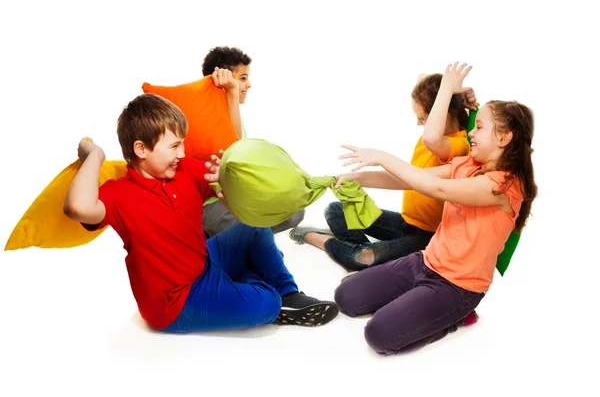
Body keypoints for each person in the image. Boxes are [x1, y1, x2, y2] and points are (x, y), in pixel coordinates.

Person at [63, 93, 339, 333]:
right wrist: (95, 155)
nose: (182, 152)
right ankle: (267, 294)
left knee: (252, 227)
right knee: (267, 303)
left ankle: (288, 292)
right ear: (140, 149)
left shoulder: (183, 171)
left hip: (205, 262)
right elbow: (78, 207)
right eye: (174, 146)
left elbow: (228, 183)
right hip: (176, 301)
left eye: (182, 144)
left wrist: (230, 175)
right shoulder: (118, 195)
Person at [332, 62, 537, 354]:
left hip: (458, 286)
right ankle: (418, 301)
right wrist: (358, 178)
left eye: (479, 127)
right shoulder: (467, 164)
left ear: (504, 138)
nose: (471, 133)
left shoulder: (504, 186)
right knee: (346, 297)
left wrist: (380, 155)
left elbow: (437, 189)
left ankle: (452, 317)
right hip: (425, 261)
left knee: (378, 335)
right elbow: (415, 180)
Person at [290, 71, 477, 271]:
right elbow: (423, 80)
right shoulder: (435, 137)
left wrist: (448, 90)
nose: (418, 124)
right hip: (406, 223)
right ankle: (359, 251)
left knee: (362, 257)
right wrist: (354, 178)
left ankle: (320, 239)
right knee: (335, 209)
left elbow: (430, 141)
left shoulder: (456, 145)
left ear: (442, 116)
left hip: (427, 236)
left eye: (422, 119)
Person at [201, 46, 305, 237]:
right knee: (244, 228)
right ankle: (251, 242)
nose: (248, 84)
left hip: (236, 200)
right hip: (214, 207)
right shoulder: (206, 114)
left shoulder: (234, 113)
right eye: (242, 78)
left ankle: (252, 239)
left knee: (295, 211)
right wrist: (231, 92)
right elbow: (235, 152)